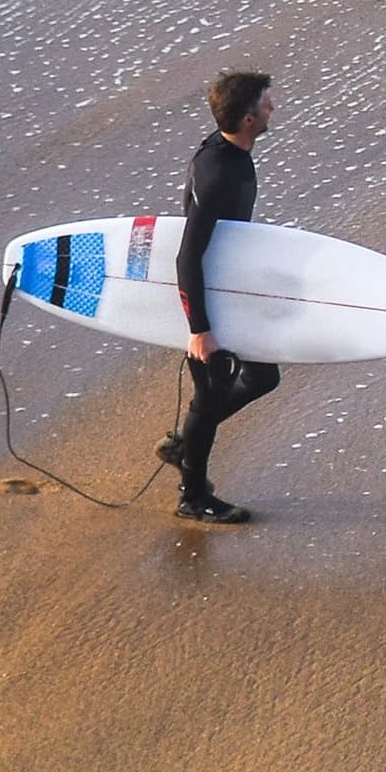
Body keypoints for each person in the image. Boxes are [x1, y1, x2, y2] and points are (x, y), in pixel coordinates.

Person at [159, 70, 281, 524]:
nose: (273, 108)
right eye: (268, 104)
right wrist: (200, 330)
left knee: (263, 377)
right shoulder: (217, 174)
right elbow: (187, 255)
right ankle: (193, 496)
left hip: (228, 288)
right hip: (209, 299)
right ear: (248, 118)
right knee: (208, 401)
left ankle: (184, 447)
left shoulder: (229, 150)